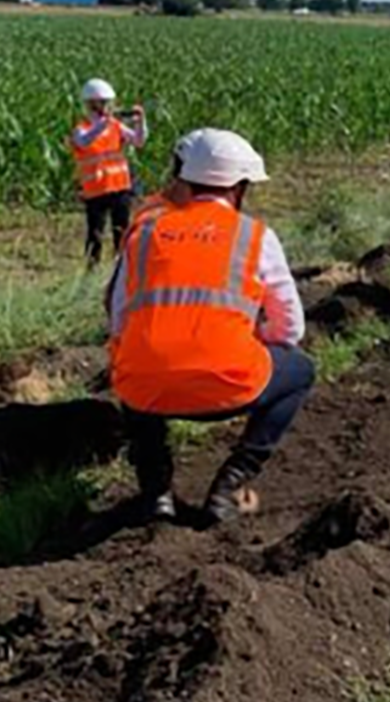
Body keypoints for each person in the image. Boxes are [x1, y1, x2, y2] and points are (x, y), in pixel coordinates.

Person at [106, 128, 314, 524]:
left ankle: (155, 493)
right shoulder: (255, 236)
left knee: (134, 360)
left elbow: (118, 320)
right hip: (230, 386)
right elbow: (290, 330)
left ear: (185, 179)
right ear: (239, 187)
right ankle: (233, 482)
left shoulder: (144, 233)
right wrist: (251, 341)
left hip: (147, 391)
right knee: (300, 369)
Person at [69, 78, 147, 267]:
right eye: (102, 102)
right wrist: (104, 123)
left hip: (120, 186)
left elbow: (138, 141)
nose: (107, 106)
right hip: (95, 189)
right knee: (95, 232)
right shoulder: (81, 129)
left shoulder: (115, 126)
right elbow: (84, 141)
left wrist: (140, 122)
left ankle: (121, 268)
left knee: (121, 231)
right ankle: (91, 269)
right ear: (91, 104)